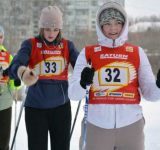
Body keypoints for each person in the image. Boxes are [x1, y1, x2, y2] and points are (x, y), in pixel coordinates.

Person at [68, 1, 160, 150]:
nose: (113, 28)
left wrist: (158, 85)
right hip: (96, 126)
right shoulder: (88, 52)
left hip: (130, 126)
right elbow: (73, 94)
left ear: (124, 25)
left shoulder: (137, 52)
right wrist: (81, 83)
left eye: (117, 22)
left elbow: (151, 94)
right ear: (99, 25)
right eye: (107, 23)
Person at [8, 6, 79, 150]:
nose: (51, 33)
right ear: (41, 27)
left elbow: (81, 66)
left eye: (56, 29)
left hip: (61, 108)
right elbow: (15, 65)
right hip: (36, 109)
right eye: (47, 29)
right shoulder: (31, 44)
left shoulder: (66, 46)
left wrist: (87, 74)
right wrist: (23, 72)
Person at [0, 27, 21, 150]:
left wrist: (17, 81)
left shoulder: (8, 57)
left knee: (3, 142)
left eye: (1, 37)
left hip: (5, 103)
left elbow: (13, 81)